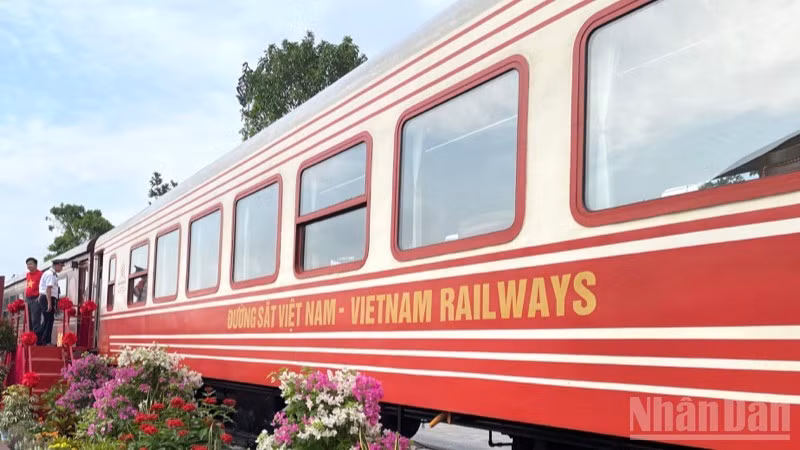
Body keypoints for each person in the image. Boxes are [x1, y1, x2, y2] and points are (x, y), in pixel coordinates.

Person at [36, 259, 64, 346]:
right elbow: (48, 289)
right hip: (47, 298)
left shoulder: (52, 274)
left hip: (47, 298)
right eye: (61, 266)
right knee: (48, 320)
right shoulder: (50, 274)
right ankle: (42, 338)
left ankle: (43, 339)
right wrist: (49, 303)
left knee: (49, 320)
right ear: (57, 265)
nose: (62, 268)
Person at [24, 257, 43, 334]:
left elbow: (43, 286)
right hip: (28, 299)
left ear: (36, 265)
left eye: (31, 264)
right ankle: (30, 337)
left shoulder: (40, 274)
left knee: (35, 319)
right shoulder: (27, 274)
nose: (29, 266)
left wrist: (39, 297)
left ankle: (37, 338)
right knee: (29, 319)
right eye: (28, 264)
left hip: (36, 298)